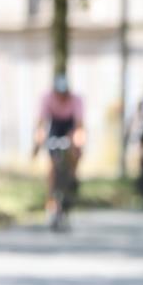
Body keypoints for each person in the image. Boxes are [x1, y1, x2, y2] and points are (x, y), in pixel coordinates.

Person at [32, 73, 85, 217]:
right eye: (59, 93)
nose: (62, 96)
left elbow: (79, 126)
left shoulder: (76, 100)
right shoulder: (47, 98)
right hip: (55, 127)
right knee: (51, 167)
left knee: (75, 148)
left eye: (64, 93)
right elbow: (41, 123)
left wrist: (78, 145)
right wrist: (37, 144)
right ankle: (51, 200)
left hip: (70, 127)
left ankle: (73, 175)